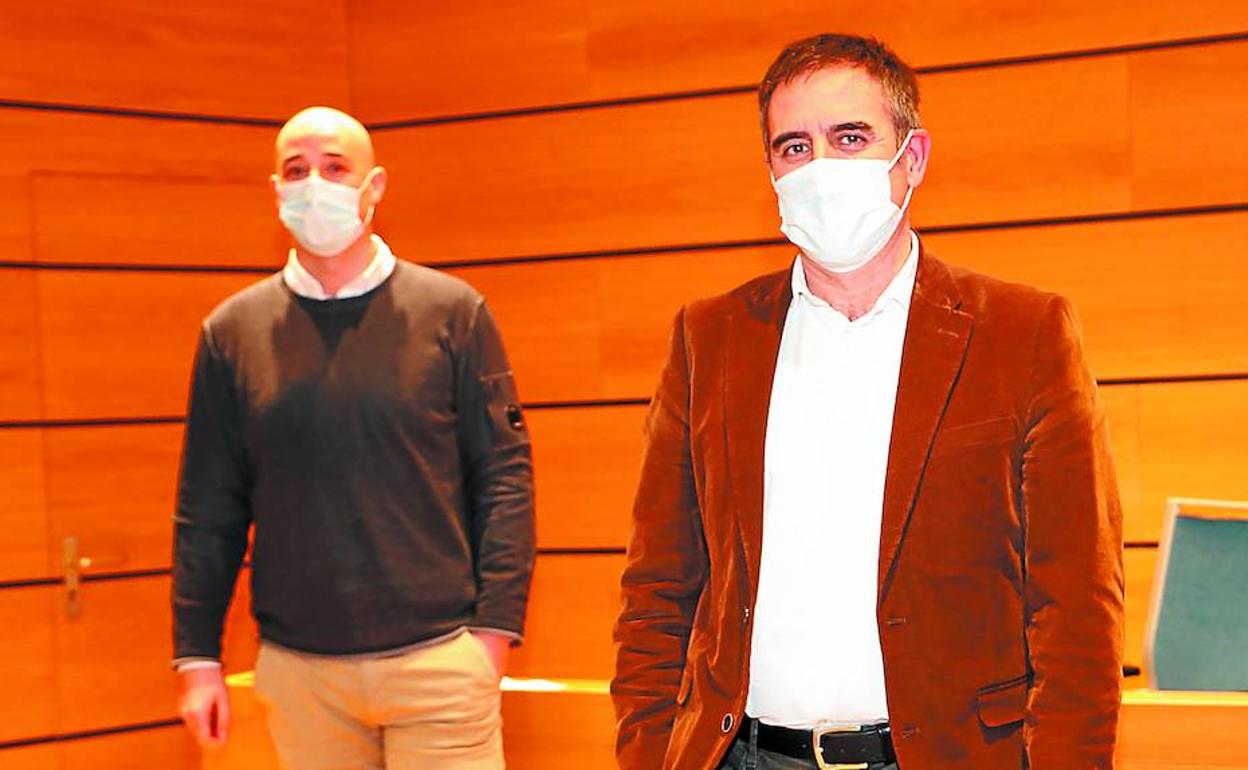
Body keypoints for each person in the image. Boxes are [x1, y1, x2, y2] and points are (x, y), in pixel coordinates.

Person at [612, 34, 1124, 769]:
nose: (821, 167)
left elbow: (1076, 603)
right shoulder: (710, 340)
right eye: (795, 147)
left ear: (912, 158)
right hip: (744, 755)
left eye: (850, 138)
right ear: (772, 172)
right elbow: (658, 588)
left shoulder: (1023, 333)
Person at [172, 106, 535, 770]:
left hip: (439, 662)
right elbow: (208, 507)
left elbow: (505, 479)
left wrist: (492, 634)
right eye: (296, 170)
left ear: (375, 186)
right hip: (303, 676)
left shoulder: (454, 313)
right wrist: (198, 659)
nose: (315, 184)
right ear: (276, 190)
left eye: (335, 168)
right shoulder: (231, 333)